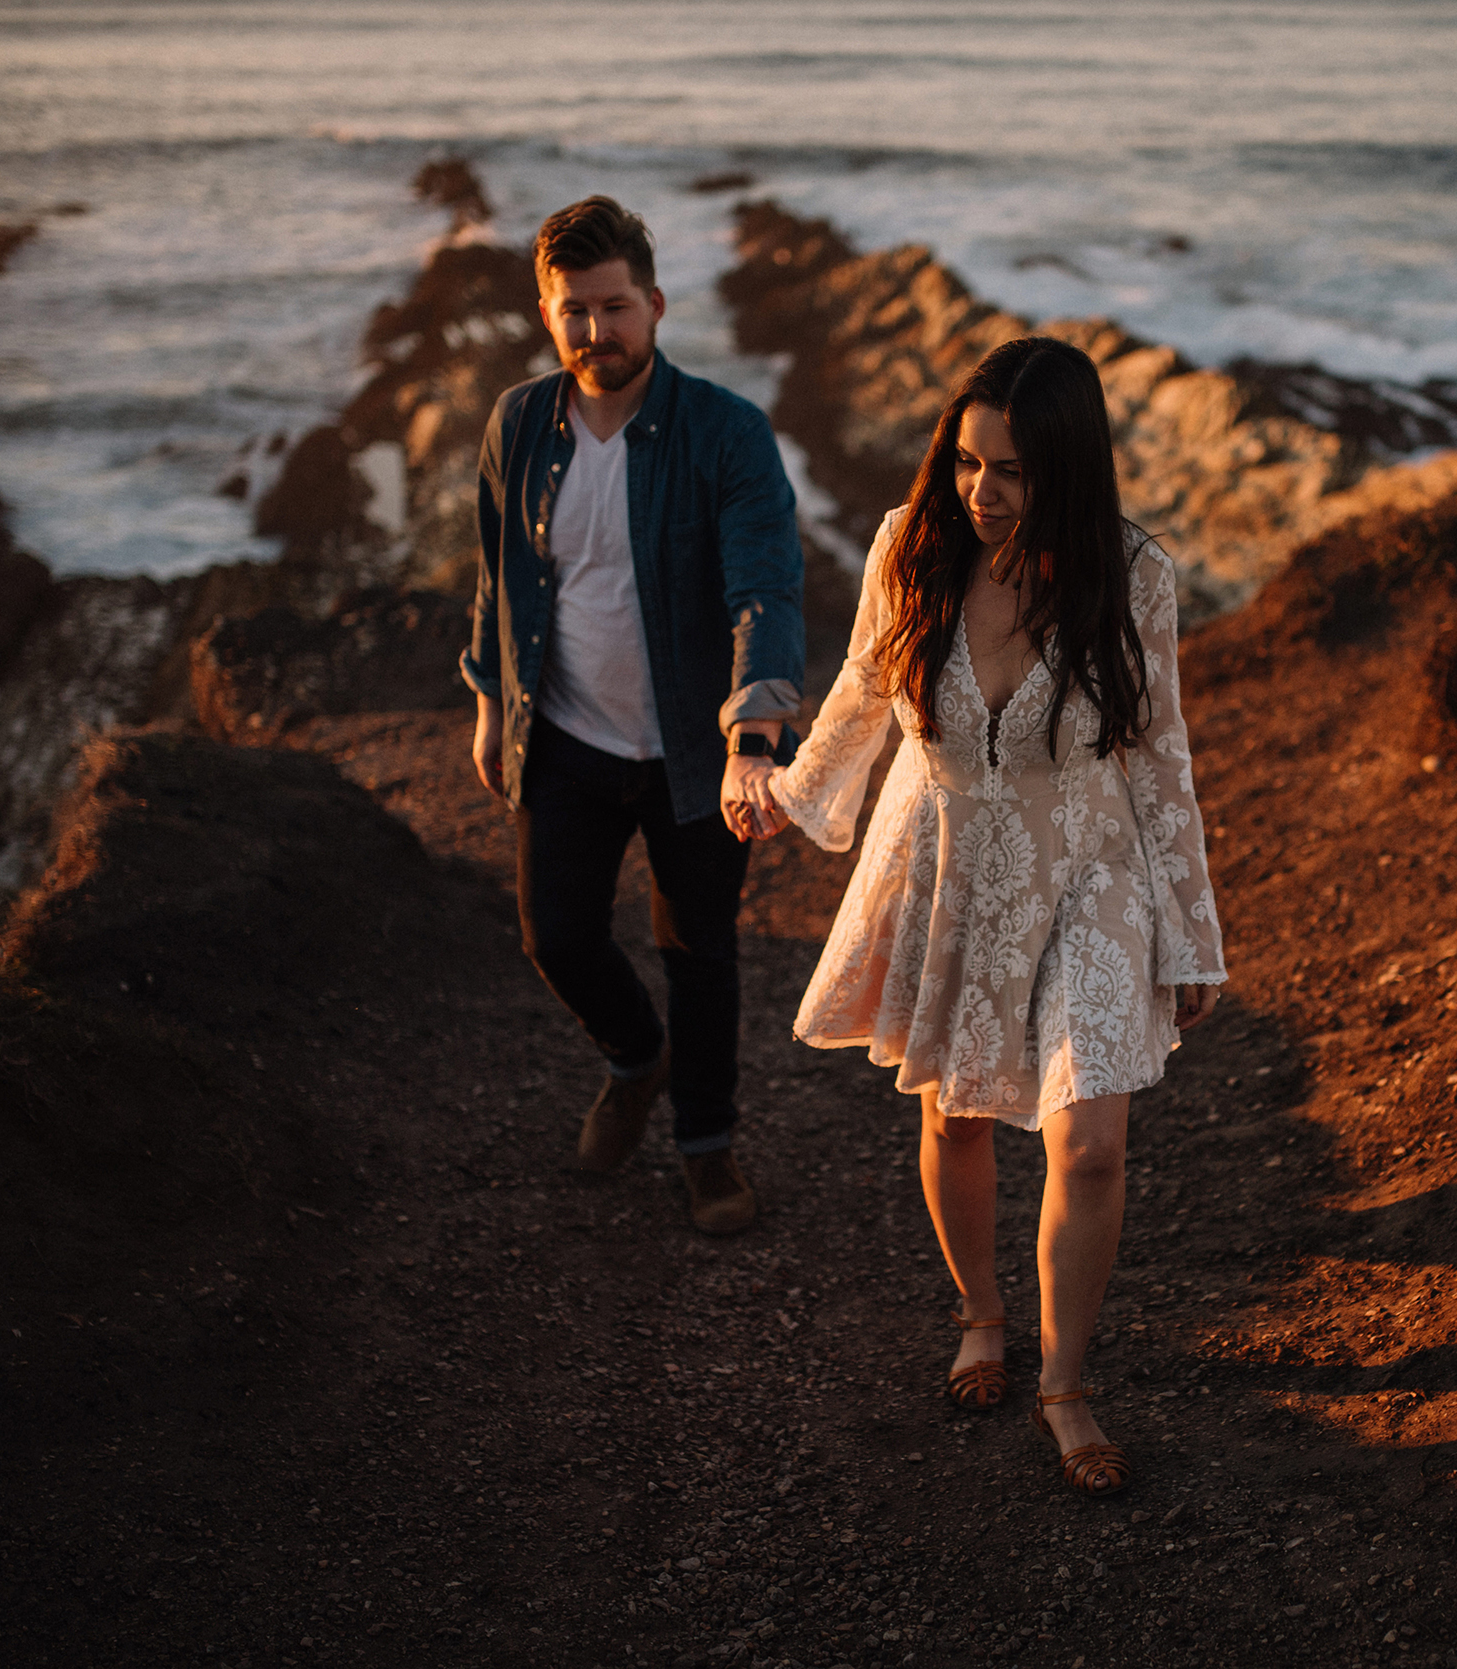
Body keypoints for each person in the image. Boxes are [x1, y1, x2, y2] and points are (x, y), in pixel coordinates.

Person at [742, 336, 1225, 1495]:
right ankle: (980, 1310)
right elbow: (864, 685)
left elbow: (1159, 755)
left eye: (1009, 471)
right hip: (948, 859)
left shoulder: (1132, 573)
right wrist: (787, 792)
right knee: (954, 1116)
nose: (981, 492)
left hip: (1090, 868)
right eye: (966, 463)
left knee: (1089, 1139)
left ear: (1067, 467)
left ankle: (1065, 1378)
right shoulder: (914, 551)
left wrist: (1190, 925)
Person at [462, 195, 804, 1236]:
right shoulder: (519, 423)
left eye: (614, 309)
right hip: (564, 735)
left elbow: (764, 588)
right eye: (573, 311)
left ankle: (707, 1147)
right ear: (545, 311)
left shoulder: (725, 434)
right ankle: (634, 1060)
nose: (594, 333)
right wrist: (488, 701)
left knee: (698, 952)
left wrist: (753, 738)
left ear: (654, 305)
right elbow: (497, 571)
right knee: (554, 934)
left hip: (694, 752)